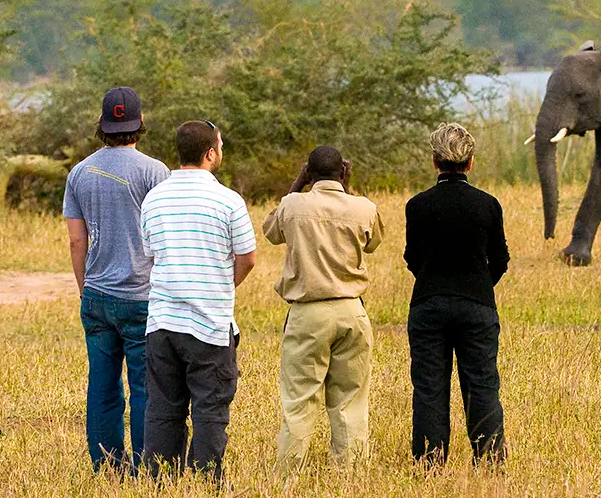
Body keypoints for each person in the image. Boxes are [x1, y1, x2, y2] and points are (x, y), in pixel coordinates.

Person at [140, 120, 256, 481]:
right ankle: (206, 480)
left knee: (161, 408)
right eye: (219, 147)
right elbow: (248, 257)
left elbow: (150, 253)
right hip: (209, 324)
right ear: (210, 153)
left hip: (161, 323)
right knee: (210, 408)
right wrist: (223, 285)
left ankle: (160, 479)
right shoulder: (228, 200)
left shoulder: (153, 198)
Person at [63, 87, 170, 473]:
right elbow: (164, 235)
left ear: (103, 126)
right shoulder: (156, 172)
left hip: (97, 295)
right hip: (143, 295)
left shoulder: (79, 173)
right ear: (140, 123)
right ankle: (147, 464)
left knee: (103, 386)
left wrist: (84, 287)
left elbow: (77, 239)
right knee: (144, 387)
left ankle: (107, 466)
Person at [263, 146, 385, 472]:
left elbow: (271, 231)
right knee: (350, 403)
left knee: (300, 401)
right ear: (343, 173)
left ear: (309, 173)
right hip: (352, 312)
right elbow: (373, 242)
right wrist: (348, 189)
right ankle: (350, 477)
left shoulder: (293, 205)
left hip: (307, 314)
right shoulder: (363, 207)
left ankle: (287, 477)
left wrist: (296, 184)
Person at [403, 122, 510, 466]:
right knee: (481, 383)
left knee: (430, 388)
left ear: (435, 162)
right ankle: (489, 458)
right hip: (477, 305)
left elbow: (413, 258)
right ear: (471, 161)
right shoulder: (487, 204)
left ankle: (430, 462)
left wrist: (435, 281)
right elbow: (501, 259)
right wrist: (477, 285)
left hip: (428, 304)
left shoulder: (418, 205)